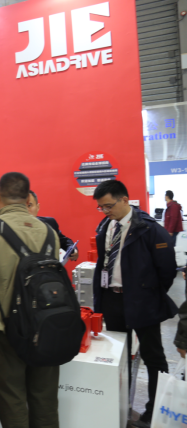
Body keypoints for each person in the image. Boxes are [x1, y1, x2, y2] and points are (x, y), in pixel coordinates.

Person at [0, 172, 61, 428]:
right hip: (45, 326)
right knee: (45, 400)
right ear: (28, 198)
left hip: (4, 329)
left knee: (11, 400)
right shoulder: (49, 232)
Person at [92, 180, 177, 428]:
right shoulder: (106, 226)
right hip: (112, 300)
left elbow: (167, 269)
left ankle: (154, 411)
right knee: (118, 357)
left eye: (108, 206)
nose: (105, 211)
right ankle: (120, 406)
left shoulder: (148, 229)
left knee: (153, 357)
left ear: (125, 200)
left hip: (143, 301)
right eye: (101, 207)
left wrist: (149, 293)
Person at [28, 190, 79, 261]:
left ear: (38, 207)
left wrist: (73, 249)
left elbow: (64, 241)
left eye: (29, 205)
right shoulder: (13, 228)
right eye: (22, 206)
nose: (26, 210)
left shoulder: (49, 223)